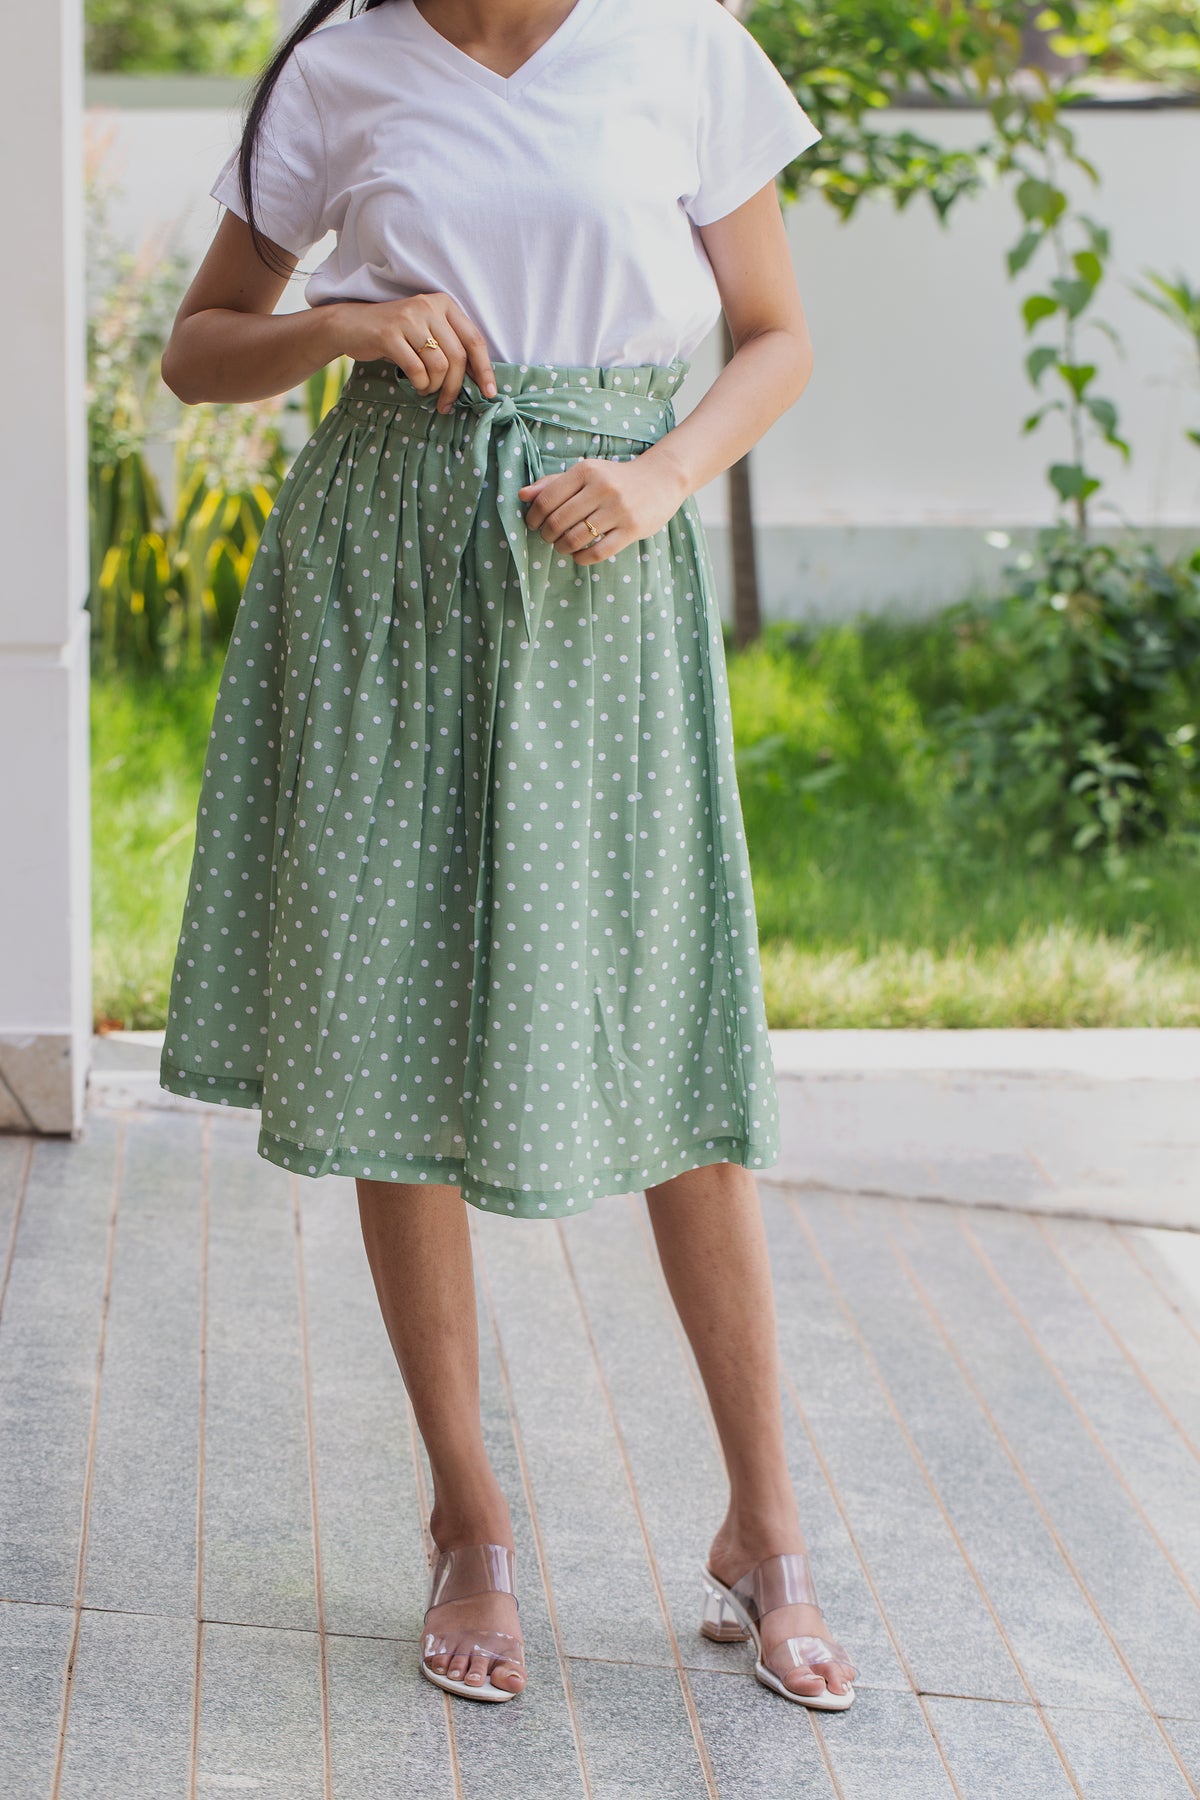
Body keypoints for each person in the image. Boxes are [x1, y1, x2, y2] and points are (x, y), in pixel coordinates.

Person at [158, 0, 856, 1712]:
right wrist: (346, 323)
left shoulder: (681, 43)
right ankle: (469, 1520)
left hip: (604, 583)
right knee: (399, 1034)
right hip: (384, 579)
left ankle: (765, 1533)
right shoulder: (340, 67)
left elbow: (775, 336)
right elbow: (197, 348)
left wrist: (664, 473)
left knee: (671, 1035)